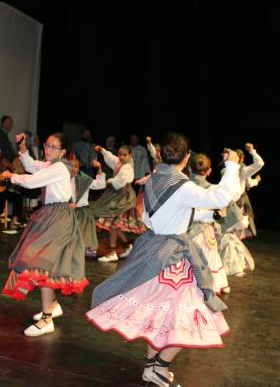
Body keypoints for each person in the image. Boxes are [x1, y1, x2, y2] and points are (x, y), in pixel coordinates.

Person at [86, 132, 241, 386]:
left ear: (162, 154)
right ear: (187, 157)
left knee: (162, 316)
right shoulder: (184, 186)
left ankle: (152, 368)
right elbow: (221, 197)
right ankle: (159, 367)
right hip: (174, 257)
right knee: (190, 316)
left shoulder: (154, 179)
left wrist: (207, 217)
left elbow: (163, 215)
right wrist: (233, 165)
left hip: (152, 248)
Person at [1, 132, 88, 337]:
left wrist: (10, 176)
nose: (48, 150)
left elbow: (32, 181)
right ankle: (53, 305)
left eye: (53, 147)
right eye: (47, 146)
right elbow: (32, 166)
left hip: (57, 217)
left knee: (42, 263)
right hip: (52, 215)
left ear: (63, 152)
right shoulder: (52, 165)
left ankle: (47, 318)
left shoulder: (58, 167)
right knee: (41, 262)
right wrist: (22, 148)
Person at [188, 153, 230, 294]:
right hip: (204, 229)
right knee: (209, 257)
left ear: (189, 168)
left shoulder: (183, 186)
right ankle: (211, 283)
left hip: (184, 229)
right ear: (209, 171)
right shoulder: (213, 189)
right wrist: (219, 225)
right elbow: (220, 215)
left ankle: (189, 285)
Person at [90, 145, 138, 262]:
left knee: (113, 221)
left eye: (124, 155)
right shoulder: (119, 163)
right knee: (115, 223)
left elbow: (119, 182)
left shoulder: (128, 168)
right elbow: (111, 158)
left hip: (122, 196)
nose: (121, 157)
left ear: (129, 156)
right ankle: (127, 245)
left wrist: (108, 181)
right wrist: (102, 150)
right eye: (120, 154)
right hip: (116, 195)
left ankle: (112, 252)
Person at [68, 155, 106, 256]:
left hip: (82, 210)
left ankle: (87, 247)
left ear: (79, 167)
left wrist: (99, 169)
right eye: (71, 166)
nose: (73, 169)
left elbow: (101, 185)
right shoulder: (62, 179)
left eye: (76, 166)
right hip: (67, 210)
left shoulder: (83, 179)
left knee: (86, 228)